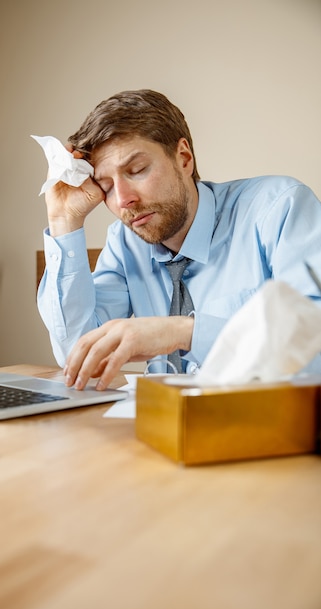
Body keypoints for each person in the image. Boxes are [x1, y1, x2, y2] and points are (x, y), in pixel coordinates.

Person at [37, 89, 321, 390]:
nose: (123, 200)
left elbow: (314, 343)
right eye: (106, 186)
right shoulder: (125, 243)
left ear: (183, 158)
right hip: (163, 427)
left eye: (137, 170)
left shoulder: (279, 208)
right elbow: (79, 353)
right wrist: (64, 222)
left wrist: (182, 332)